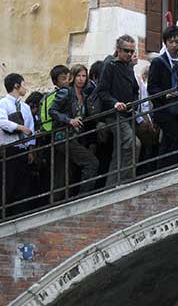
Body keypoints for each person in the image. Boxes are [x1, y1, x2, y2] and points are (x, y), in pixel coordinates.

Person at [49, 64, 100, 197]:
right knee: (91, 162)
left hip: (75, 137)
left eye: (84, 76)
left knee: (65, 174)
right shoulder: (66, 91)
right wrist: (69, 120)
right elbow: (52, 111)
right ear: (73, 77)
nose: (81, 79)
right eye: (78, 76)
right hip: (63, 136)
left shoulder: (84, 95)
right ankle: (83, 197)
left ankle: (61, 202)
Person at [95, 34, 140, 183]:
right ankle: (126, 181)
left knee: (120, 152)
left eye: (131, 51)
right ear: (118, 50)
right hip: (113, 115)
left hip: (127, 115)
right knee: (132, 143)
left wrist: (133, 103)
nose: (129, 54)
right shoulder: (110, 65)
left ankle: (113, 185)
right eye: (126, 51)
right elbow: (101, 91)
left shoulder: (128, 67)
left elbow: (135, 89)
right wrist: (115, 103)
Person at [0, 73, 36, 216]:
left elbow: (31, 128)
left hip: (23, 149)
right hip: (9, 148)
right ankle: (1, 216)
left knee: (22, 185)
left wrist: (31, 149)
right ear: (16, 86)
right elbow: (0, 121)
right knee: (7, 184)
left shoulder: (25, 107)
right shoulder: (3, 104)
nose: (25, 88)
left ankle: (18, 214)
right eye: (23, 84)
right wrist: (19, 127)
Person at [148, 25, 178, 166]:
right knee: (177, 137)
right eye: (171, 42)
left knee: (168, 141)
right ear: (165, 43)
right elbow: (152, 87)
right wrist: (165, 95)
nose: (175, 45)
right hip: (164, 109)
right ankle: (167, 169)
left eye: (177, 41)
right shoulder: (158, 62)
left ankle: (162, 168)